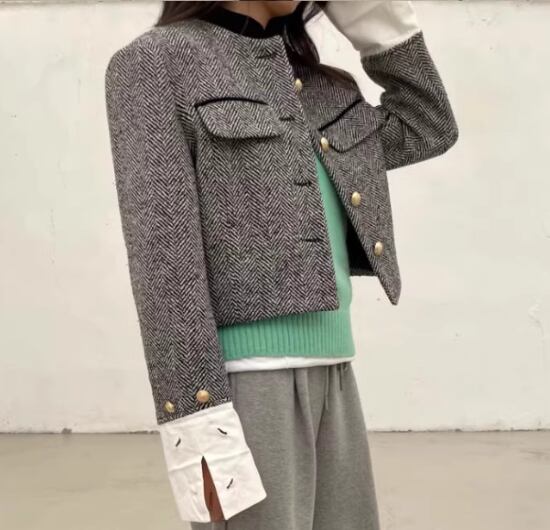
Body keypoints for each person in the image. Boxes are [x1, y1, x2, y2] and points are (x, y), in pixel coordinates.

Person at [104, 1, 458, 528]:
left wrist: (373, 14)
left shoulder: (321, 86)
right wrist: (198, 428)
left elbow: (429, 124)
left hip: (336, 376)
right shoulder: (156, 63)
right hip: (245, 392)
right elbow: (163, 260)